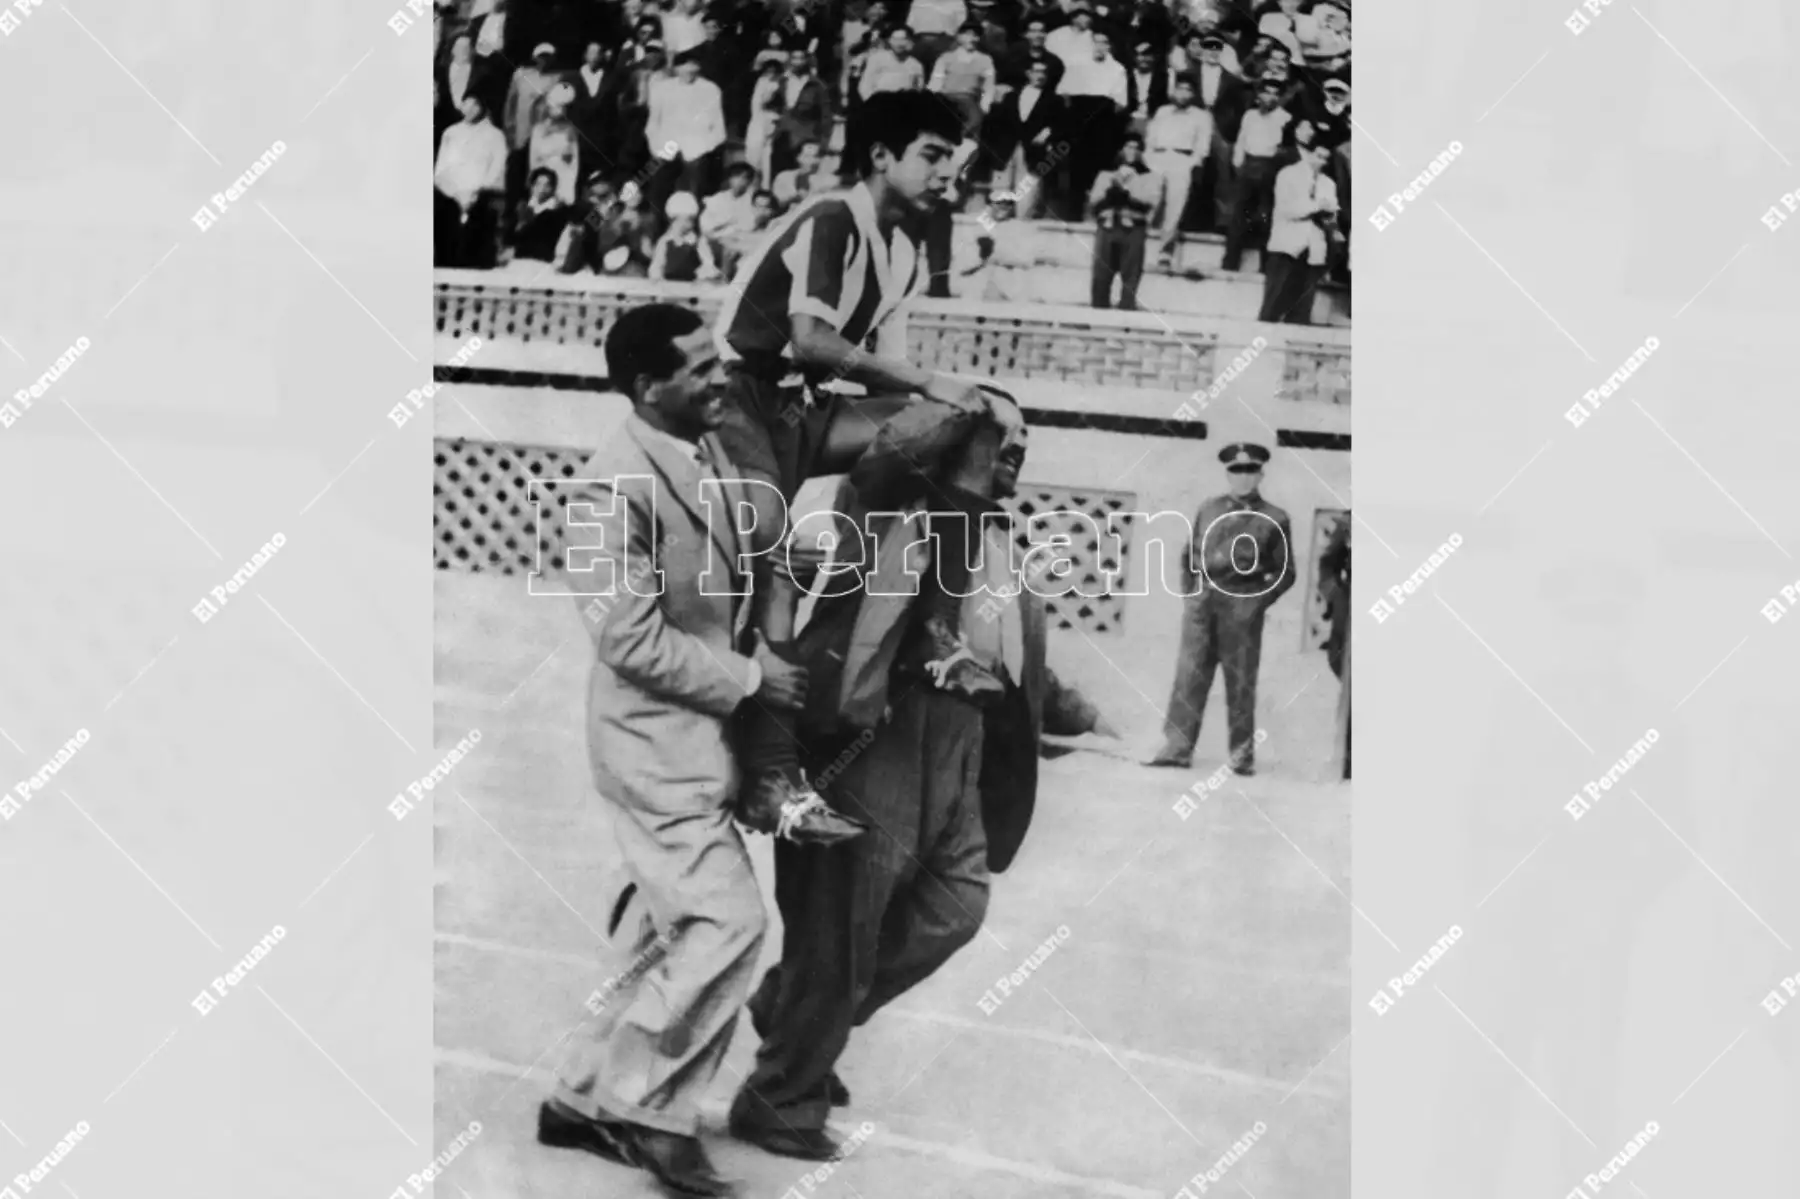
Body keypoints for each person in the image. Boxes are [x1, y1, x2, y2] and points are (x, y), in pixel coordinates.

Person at [730, 390, 1111, 1161]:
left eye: (1025, 439)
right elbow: (887, 461)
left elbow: (1001, 638)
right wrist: (953, 415)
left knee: (957, 907)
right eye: (1001, 436)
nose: (1016, 450)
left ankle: (794, 1011)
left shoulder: (996, 534)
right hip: (882, 732)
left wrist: (1070, 707)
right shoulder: (888, 507)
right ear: (956, 441)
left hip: (963, 741)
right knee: (844, 921)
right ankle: (781, 1098)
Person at [539, 303, 809, 1199]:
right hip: (651, 749)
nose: (721, 376)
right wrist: (748, 681)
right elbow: (625, 637)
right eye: (699, 368)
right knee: (728, 925)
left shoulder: (707, 451)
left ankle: (579, 1093)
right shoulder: (605, 489)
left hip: (692, 746)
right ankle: (650, 1108)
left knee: (673, 932)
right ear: (648, 388)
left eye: (719, 360)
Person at [711, 89, 1024, 844]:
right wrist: (923, 384)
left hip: (813, 407)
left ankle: (936, 636)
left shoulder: (905, 246)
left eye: (953, 157)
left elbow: (884, 366)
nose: (947, 171)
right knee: (775, 560)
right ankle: (772, 779)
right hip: (745, 400)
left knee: (972, 421)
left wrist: (949, 396)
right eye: (931, 154)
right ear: (881, 156)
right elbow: (813, 339)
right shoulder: (832, 217)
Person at [1148, 442, 1295, 774]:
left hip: (1241, 604)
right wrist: (1191, 594)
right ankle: (1177, 747)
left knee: (1240, 680)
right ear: (1227, 474)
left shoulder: (1275, 518)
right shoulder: (1208, 508)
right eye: (1236, 471)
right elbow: (1189, 554)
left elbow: (1286, 573)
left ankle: (1241, 755)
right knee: (1189, 675)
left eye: (1250, 471)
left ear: (1261, 474)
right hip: (1203, 602)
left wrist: (1255, 603)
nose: (1242, 478)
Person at [1260, 139, 1338, 323]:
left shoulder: (1328, 183)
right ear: (1308, 154)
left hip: (1313, 249)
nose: (1322, 163)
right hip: (1286, 246)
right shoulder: (1288, 175)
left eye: (1327, 159)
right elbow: (1287, 209)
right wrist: (1317, 205)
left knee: (1301, 311)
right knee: (1273, 305)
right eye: (1319, 157)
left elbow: (1331, 212)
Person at [1221, 78, 1290, 272]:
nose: (1270, 97)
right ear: (1258, 95)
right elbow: (1242, 141)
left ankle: (1266, 266)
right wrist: (1238, 165)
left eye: (1275, 93)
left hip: (1270, 168)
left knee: (1266, 217)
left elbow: (1283, 150)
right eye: (1266, 92)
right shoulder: (1250, 115)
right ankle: (1230, 263)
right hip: (1248, 166)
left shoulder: (1284, 118)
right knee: (1238, 216)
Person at [646, 47, 727, 212]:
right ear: (675, 68)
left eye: (694, 65)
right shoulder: (661, 88)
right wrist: (657, 148)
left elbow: (719, 129)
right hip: (667, 146)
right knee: (659, 192)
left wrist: (704, 148)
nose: (689, 69)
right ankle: (660, 228)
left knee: (698, 191)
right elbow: (652, 125)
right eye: (684, 65)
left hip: (699, 148)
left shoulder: (710, 89)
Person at [1088, 134, 1163, 309]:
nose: (1132, 151)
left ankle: (1126, 314)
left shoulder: (1151, 177)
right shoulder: (1105, 175)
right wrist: (1110, 192)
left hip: (1133, 230)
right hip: (1108, 227)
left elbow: (1151, 201)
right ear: (1121, 150)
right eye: (1128, 147)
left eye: (1137, 148)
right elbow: (1094, 201)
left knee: (1131, 275)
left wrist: (1129, 191)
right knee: (1100, 275)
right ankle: (1098, 312)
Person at [434, 92, 508, 268]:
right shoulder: (451, 133)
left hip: (481, 197)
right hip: (452, 196)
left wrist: (475, 193)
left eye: (475, 104)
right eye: (466, 104)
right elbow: (441, 170)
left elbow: (497, 167)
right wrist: (456, 194)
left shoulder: (495, 135)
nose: (470, 109)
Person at [1145, 74, 1212, 266]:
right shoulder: (1162, 112)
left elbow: (1203, 147)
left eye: (1188, 90)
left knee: (1175, 207)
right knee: (1150, 201)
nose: (1183, 94)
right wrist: (1149, 159)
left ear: (1194, 94)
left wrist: (1191, 163)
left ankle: (1165, 250)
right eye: (1179, 89)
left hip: (1182, 160)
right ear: (1173, 91)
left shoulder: (1201, 116)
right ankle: (1139, 244)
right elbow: (1150, 138)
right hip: (1157, 159)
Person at [987, 57, 1063, 219]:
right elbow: (998, 123)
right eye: (1037, 71)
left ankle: (1024, 218)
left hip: (1033, 149)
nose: (1040, 76)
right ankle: (1000, 216)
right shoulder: (1011, 96)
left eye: (1044, 72)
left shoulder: (1054, 100)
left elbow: (1061, 124)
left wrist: (1048, 133)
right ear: (1028, 73)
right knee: (1001, 183)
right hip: (1008, 147)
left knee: (1028, 188)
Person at [928, 19, 998, 140]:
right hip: (946, 98)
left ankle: (961, 139)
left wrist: (985, 106)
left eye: (975, 35)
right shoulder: (946, 58)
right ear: (959, 37)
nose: (971, 39)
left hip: (969, 99)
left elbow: (989, 87)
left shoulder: (985, 60)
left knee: (975, 119)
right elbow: (936, 82)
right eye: (966, 34)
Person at [772, 48, 832, 179]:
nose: (797, 62)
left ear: (807, 61)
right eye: (794, 58)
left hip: (805, 137)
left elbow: (826, 116)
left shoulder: (817, 85)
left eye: (801, 58)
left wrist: (823, 143)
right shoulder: (783, 81)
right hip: (783, 135)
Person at [526, 81, 581, 206]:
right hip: (543, 179)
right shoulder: (538, 130)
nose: (558, 110)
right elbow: (533, 160)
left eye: (561, 107)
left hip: (564, 180)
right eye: (555, 106)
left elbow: (573, 163)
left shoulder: (570, 131)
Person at [651, 190, 723, 282]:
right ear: (673, 220)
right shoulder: (665, 241)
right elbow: (657, 265)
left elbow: (708, 263)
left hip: (692, 288)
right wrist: (657, 278)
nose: (687, 225)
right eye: (683, 220)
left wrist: (703, 274)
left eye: (690, 220)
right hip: (668, 289)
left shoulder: (698, 242)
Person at [512, 167, 569, 262]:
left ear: (554, 188)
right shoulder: (524, 207)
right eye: (538, 184)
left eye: (547, 185)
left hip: (544, 259)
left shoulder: (559, 210)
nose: (542, 189)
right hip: (520, 258)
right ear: (531, 186)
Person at [859, 23, 927, 99]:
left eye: (903, 39)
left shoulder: (916, 65)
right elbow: (865, 86)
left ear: (910, 41)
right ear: (889, 40)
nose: (899, 43)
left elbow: (917, 91)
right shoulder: (876, 59)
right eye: (895, 39)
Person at [772, 138, 826, 209]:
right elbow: (775, 203)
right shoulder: (784, 177)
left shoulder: (826, 180)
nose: (813, 161)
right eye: (807, 156)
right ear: (798, 157)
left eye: (816, 156)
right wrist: (795, 197)